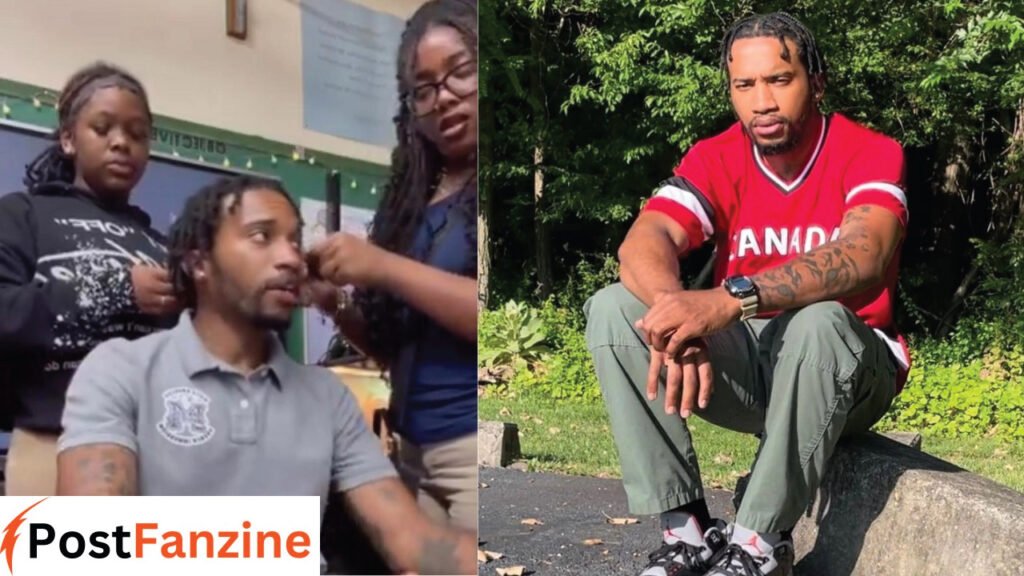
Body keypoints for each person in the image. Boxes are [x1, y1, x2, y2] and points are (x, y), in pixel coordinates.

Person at [584, 12, 910, 576]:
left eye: (779, 81)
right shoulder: (715, 156)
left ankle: (761, 544)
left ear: (817, 81)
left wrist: (730, 299)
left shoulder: (870, 152)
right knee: (614, 308)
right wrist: (676, 317)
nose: (761, 101)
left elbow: (866, 254)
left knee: (819, 322)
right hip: (753, 363)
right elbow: (645, 239)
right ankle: (687, 533)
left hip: (850, 365)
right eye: (744, 85)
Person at [56, 176, 476, 576]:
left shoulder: (326, 396)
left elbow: (412, 540)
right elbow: (88, 542)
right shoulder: (119, 370)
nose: (292, 258)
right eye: (262, 236)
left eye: (295, 242)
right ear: (199, 262)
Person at [307, 0, 478, 531]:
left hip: (470, 454)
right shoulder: (413, 204)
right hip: (413, 453)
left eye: (461, 73)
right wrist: (331, 301)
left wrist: (381, 266)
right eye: (423, 89)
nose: (443, 98)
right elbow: (396, 350)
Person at [0, 62, 179, 496]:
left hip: (154, 449)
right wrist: (117, 291)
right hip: (51, 442)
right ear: (68, 139)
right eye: (103, 128)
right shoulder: (21, 215)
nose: (122, 143)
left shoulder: (161, 245)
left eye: (137, 134)